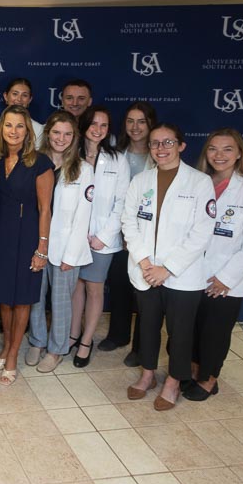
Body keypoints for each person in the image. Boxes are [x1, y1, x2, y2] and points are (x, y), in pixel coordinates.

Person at [122, 122, 215, 411]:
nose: (160, 149)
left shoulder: (199, 182)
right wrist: (146, 263)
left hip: (182, 275)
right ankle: (148, 374)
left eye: (167, 143)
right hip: (146, 270)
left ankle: (174, 381)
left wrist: (168, 268)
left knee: (180, 331)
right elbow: (129, 222)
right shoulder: (141, 181)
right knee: (148, 326)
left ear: (181, 146)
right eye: (154, 143)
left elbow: (202, 231)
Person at [185, 129, 243, 401]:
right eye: (213, 149)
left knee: (215, 333)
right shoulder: (197, 184)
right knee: (194, 328)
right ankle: (195, 368)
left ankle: (209, 379)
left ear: (239, 154)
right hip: (193, 273)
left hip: (226, 280)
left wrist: (225, 278)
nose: (219, 155)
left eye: (227, 149)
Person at [0, 105, 54, 386]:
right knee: (4, 297)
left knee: (22, 298)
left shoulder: (40, 163)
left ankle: (13, 354)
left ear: (29, 132)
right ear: (1, 129)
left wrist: (42, 249)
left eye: (20, 126)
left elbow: (45, 209)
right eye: (9, 125)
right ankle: (5, 346)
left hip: (27, 238)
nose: (13, 131)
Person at [26, 111, 93, 373]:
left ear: (74, 137)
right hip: (36, 244)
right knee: (35, 298)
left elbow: (82, 217)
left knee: (62, 301)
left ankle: (56, 349)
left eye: (67, 134)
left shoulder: (83, 169)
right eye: (56, 132)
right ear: (47, 133)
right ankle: (37, 341)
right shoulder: (34, 163)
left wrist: (71, 255)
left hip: (66, 248)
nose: (61, 139)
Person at [69, 106, 130, 368]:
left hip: (101, 240)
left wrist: (104, 236)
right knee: (75, 287)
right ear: (83, 126)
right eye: (93, 124)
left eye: (104, 126)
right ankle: (72, 334)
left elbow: (123, 202)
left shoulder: (117, 159)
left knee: (94, 288)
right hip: (73, 236)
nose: (98, 130)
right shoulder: (72, 155)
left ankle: (86, 341)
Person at [100, 102, 158, 364]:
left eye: (142, 121)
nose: (135, 127)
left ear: (151, 125)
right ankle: (118, 334)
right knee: (120, 285)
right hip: (119, 231)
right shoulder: (115, 152)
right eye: (130, 121)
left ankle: (140, 348)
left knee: (146, 293)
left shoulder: (160, 156)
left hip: (149, 234)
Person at [0, 78, 44, 148]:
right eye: (15, 94)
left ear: (30, 100)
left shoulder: (38, 129)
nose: (19, 99)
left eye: (24, 95)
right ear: (6, 96)